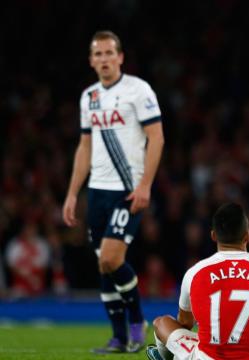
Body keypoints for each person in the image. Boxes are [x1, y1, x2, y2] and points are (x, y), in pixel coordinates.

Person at [62, 30, 164, 353]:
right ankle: (119, 337)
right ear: (91, 61)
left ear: (120, 57)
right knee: (102, 264)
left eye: (110, 53)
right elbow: (85, 145)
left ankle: (136, 321)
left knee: (111, 257)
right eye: (98, 54)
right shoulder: (89, 97)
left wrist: (145, 184)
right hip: (97, 191)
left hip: (128, 189)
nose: (104, 59)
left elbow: (157, 138)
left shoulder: (138, 90)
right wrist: (72, 193)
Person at [146, 203, 249, 360]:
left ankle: (163, 356)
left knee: (162, 322)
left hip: (207, 357)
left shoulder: (195, 273)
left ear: (213, 235)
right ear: (248, 235)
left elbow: (185, 323)